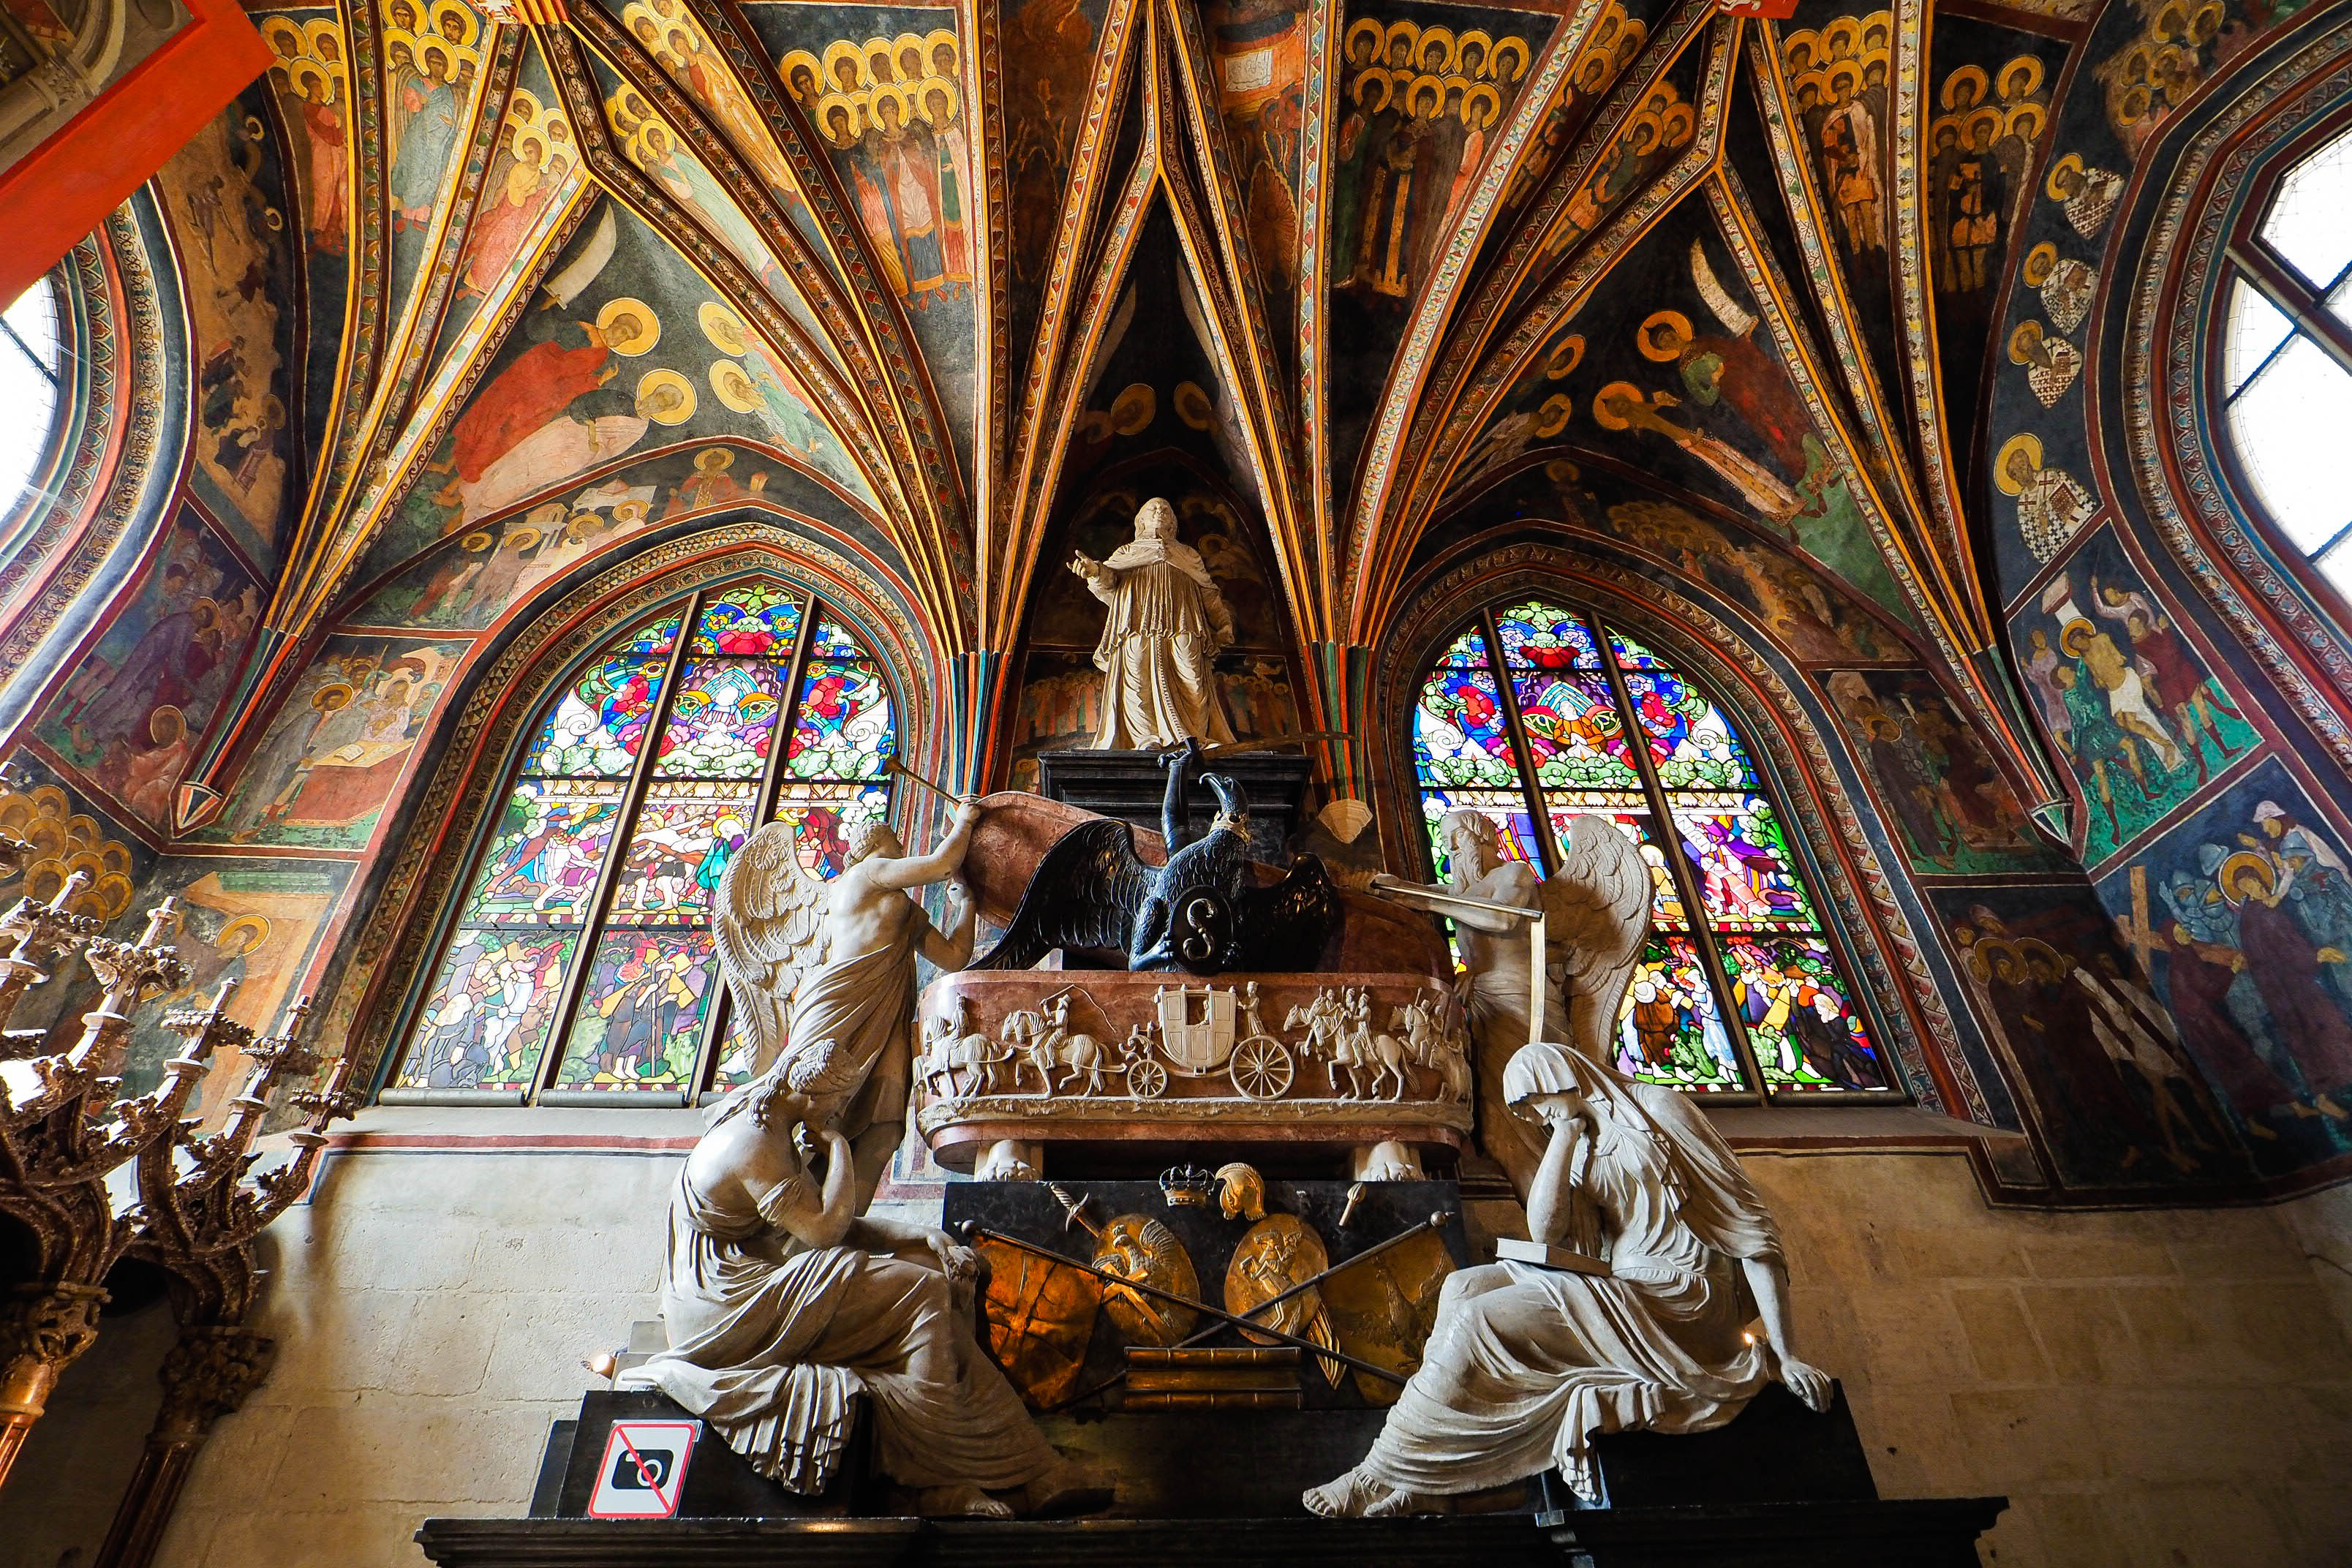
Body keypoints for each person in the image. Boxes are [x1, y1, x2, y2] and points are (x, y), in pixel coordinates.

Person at [1303, 1039, 1828, 1515]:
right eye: (1526, 1112)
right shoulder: (1580, 1140)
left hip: (1683, 1297)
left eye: (1535, 1101)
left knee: (1479, 1322)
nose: (1536, 1116)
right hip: (1623, 1286)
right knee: (1463, 1288)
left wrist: (1787, 1353)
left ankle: (1380, 1473)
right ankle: (1433, 1480)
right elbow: (1547, 1231)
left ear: (1559, 1075)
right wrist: (1565, 1135)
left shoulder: (1660, 1108)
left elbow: (1751, 1228)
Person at [619, 1039, 1113, 1515]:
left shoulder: (768, 1129)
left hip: (749, 1289)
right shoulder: (754, 1145)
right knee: (922, 1292)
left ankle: (1024, 1470)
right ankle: (938, 1478)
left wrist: (924, 1236)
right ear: (811, 1094)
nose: (839, 1114)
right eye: (838, 1104)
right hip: (724, 1306)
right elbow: (824, 1231)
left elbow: (839, 1225)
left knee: (932, 1277)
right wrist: (839, 1149)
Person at [1372, 809, 1565, 1197]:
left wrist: (1432, 901)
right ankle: (1537, 1207)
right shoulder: (1460, 893)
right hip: (1481, 1001)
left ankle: (1567, 1199)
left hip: (1520, 996)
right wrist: (1383, 886)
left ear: (1481, 836)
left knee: (1535, 1097)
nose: (1450, 847)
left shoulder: (1513, 875)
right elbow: (1411, 894)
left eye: (1456, 836)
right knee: (1494, 1121)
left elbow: (1504, 919)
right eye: (1446, 840)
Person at [1070, 497, 1240, 750]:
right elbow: (1108, 581)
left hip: (1183, 622)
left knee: (1191, 672)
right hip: (1137, 622)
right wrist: (1094, 571)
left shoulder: (1188, 555)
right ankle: (1145, 737)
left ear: (1173, 521)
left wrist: (1223, 622)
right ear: (1141, 520)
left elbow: (1208, 593)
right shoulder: (1127, 552)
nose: (1159, 511)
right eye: (1153, 509)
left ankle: (1195, 738)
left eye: (1165, 509)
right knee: (1137, 671)